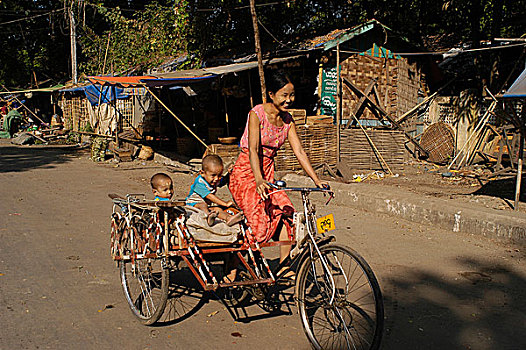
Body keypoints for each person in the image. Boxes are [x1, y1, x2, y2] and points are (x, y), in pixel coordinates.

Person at [229, 70, 327, 278]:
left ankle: (283, 265)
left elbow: (299, 151)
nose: (289, 100)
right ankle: (235, 260)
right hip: (247, 172)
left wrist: (317, 181)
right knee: (258, 221)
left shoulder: (288, 120)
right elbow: (254, 150)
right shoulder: (257, 114)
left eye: (291, 95)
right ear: (271, 95)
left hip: (267, 173)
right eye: (284, 95)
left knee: (286, 211)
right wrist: (258, 180)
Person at [186, 154, 243, 227]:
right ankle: (208, 217)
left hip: (206, 207)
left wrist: (229, 173)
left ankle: (229, 218)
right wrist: (225, 204)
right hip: (194, 205)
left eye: (219, 175)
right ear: (202, 173)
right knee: (203, 205)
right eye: (213, 175)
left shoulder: (213, 180)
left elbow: (222, 182)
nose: (216, 178)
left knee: (217, 209)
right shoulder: (199, 183)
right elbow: (210, 196)